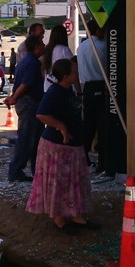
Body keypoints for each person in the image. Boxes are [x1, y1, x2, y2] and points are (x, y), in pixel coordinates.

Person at [26, 57, 97, 232]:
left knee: (73, 183)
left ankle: (76, 215)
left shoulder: (68, 89)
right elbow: (41, 114)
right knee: (60, 183)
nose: (77, 73)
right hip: (58, 147)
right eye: (74, 71)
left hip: (73, 146)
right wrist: (61, 126)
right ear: (65, 76)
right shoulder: (55, 92)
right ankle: (59, 219)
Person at [4, 34, 46, 182]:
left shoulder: (25, 61)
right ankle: (16, 170)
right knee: (27, 139)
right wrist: (14, 98)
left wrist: (13, 96)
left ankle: (36, 169)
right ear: (36, 47)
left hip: (29, 103)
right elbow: (25, 84)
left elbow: (20, 84)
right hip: (29, 104)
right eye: (42, 43)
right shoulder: (32, 63)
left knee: (35, 138)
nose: (44, 46)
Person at [77, 19, 108, 173]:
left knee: (88, 124)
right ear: (97, 30)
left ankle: (83, 157)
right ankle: (103, 160)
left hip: (87, 87)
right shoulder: (102, 46)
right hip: (102, 85)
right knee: (103, 124)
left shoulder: (81, 47)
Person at [42, 24, 73, 92]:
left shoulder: (47, 49)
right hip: (61, 88)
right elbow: (72, 68)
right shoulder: (64, 49)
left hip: (47, 87)